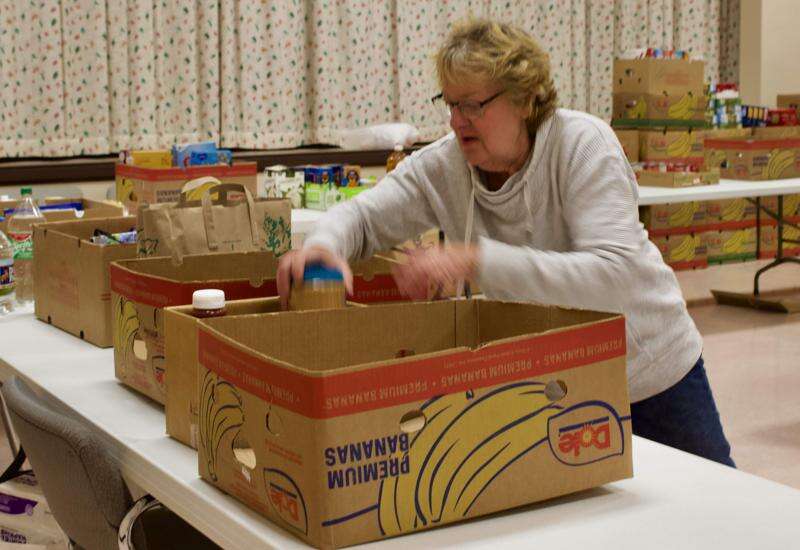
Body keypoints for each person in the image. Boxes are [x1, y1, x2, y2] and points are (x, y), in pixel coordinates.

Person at [277, 19, 735, 467]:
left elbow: (611, 278)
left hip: (649, 373)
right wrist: (323, 246)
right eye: (451, 104)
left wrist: (474, 259)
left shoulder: (583, 145)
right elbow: (360, 216)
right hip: (553, 381)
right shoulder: (444, 165)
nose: (458, 121)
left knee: (717, 517)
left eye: (474, 104)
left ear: (525, 98)